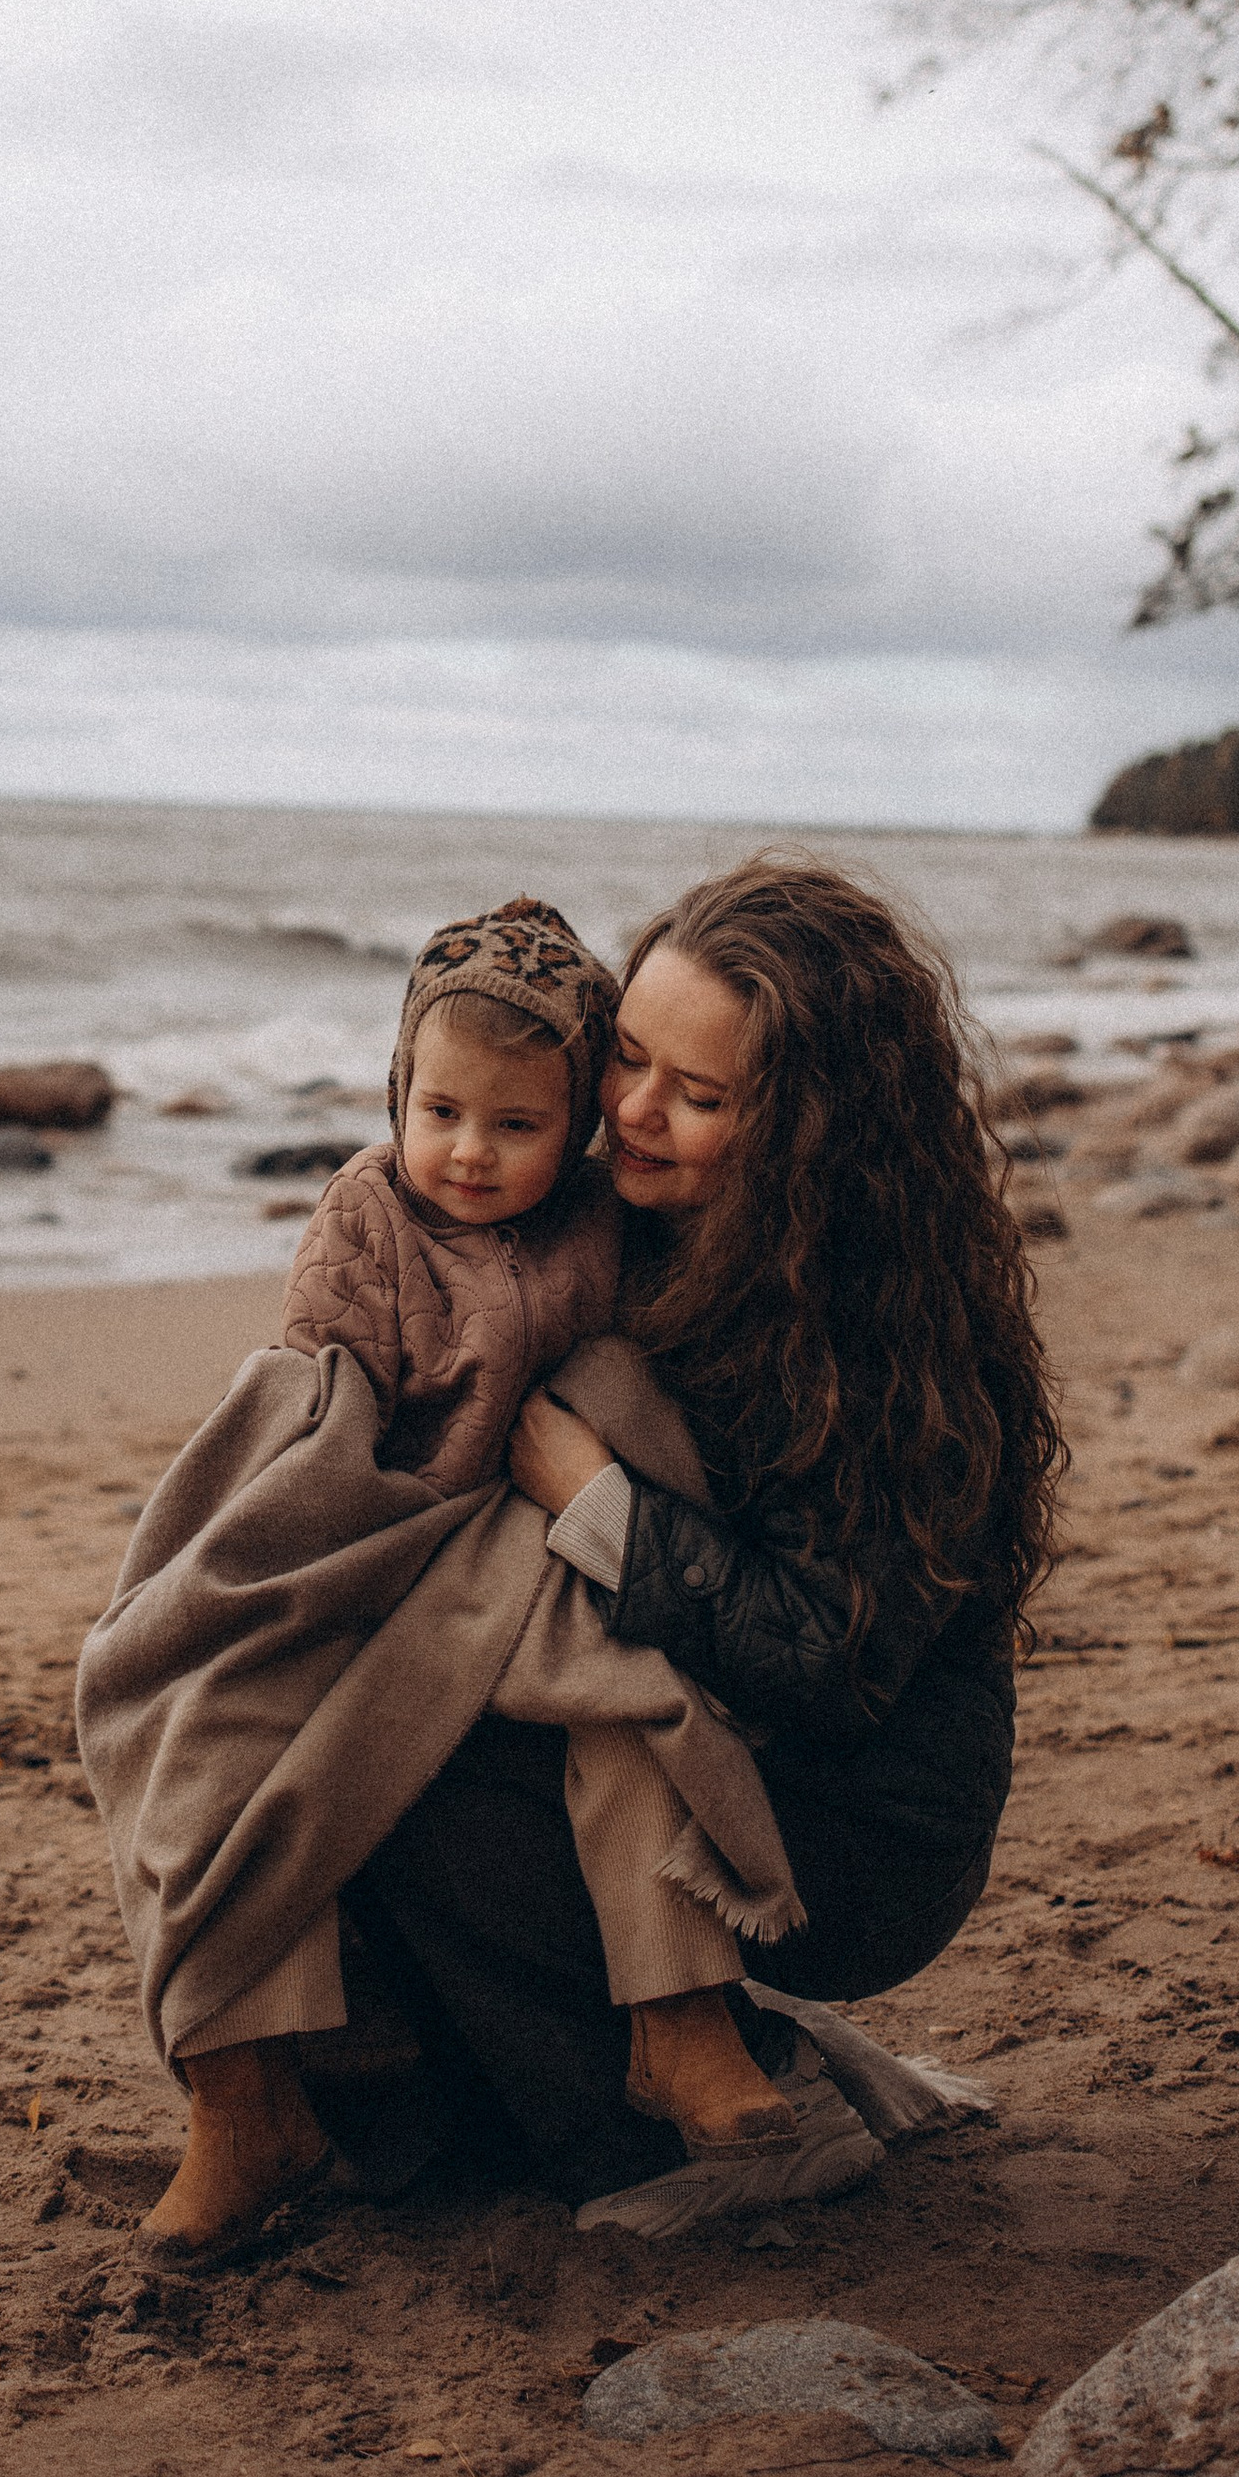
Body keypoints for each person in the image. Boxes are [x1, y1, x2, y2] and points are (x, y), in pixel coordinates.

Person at [339, 854, 1062, 2213]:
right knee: (354, 1729)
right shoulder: (635, 1234)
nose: (631, 1112)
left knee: (428, 1799)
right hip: (708, 1734)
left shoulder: (890, 1327)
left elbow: (826, 1663)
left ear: (806, 1127)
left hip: (859, 1827)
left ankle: (705, 2122)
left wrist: (598, 1502)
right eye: (626, 1060)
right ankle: (684, 2060)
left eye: (701, 1096)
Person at [271, 899, 800, 2153]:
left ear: (568, 1136)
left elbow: (637, 1376)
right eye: (439, 1114)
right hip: (389, 1553)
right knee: (235, 1744)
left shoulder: (600, 1221)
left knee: (623, 1706)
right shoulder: (365, 1217)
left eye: (515, 1125)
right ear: (396, 1093)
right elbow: (307, 1408)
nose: (466, 1153)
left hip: (546, 1549)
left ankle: (682, 2023)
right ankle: (246, 2088)